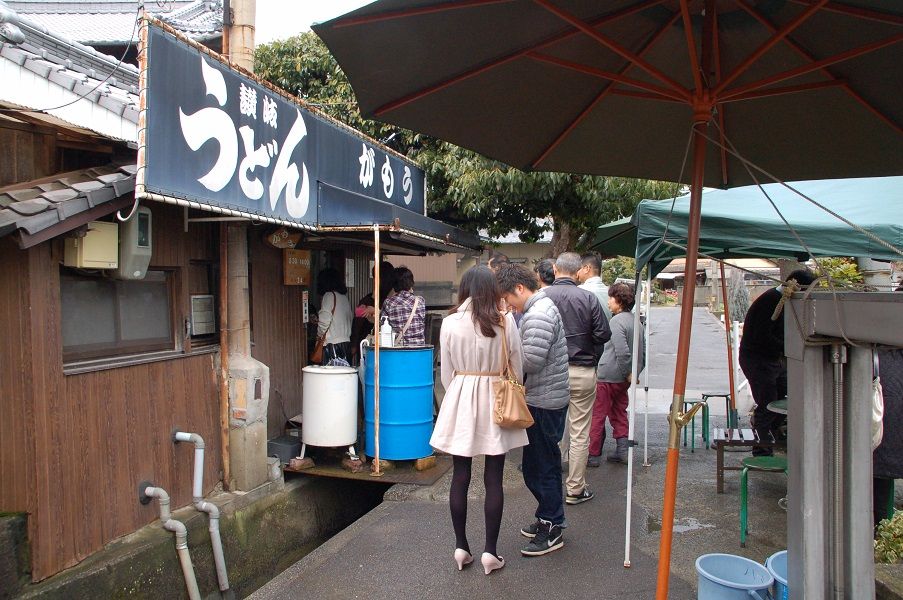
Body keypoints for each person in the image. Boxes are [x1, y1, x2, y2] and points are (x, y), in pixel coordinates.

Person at [429, 266, 527, 575]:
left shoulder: (450, 322)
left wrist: (459, 391)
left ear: (465, 289)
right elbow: (518, 366)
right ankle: (490, 552)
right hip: (496, 396)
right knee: (493, 478)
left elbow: (446, 373)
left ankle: (461, 547)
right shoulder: (505, 321)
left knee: (460, 475)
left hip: (461, 395)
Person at [496, 264, 570, 556]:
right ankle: (547, 516)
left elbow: (531, 362)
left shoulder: (538, 314)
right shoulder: (539, 308)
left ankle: (552, 525)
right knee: (537, 465)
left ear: (519, 288)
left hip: (544, 401)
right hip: (545, 398)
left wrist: (506, 354)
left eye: (508, 298)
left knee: (542, 467)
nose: (508, 305)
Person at [542, 252, 611, 505]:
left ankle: (549, 490)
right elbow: (603, 333)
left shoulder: (542, 297)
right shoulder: (588, 298)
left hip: (551, 373)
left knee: (550, 431)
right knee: (580, 432)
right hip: (582, 370)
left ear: (555, 269)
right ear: (579, 270)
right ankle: (575, 488)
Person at [739, 269, 817, 455]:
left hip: (772, 359)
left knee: (783, 399)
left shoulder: (782, 300)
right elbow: (762, 337)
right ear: (794, 286)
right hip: (758, 359)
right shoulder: (771, 300)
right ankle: (762, 450)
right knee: (768, 404)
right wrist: (790, 346)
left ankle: (769, 438)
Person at [588, 282, 645, 466]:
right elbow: (642, 352)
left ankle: (593, 454)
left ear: (618, 300)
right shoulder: (637, 322)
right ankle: (622, 450)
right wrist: (633, 372)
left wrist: (627, 371)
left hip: (608, 375)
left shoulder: (615, 321)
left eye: (611, 298)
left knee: (598, 415)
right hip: (624, 378)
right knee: (619, 411)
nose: (608, 302)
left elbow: (622, 351)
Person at [873, 284, 903, 529]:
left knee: (879, 487)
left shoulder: (876, 346)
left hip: (881, 438)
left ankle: (880, 530)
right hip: (886, 434)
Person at [350, 260, 395, 363]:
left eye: (376, 277)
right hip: (370, 346)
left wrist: (353, 344)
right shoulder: (368, 299)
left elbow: (357, 323)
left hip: (375, 346)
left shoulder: (391, 300)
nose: (374, 280)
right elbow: (358, 319)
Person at [315, 268, 353, 364]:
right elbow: (349, 318)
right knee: (344, 372)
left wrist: (319, 336)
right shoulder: (344, 298)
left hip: (332, 345)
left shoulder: (328, 296)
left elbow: (324, 322)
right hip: (346, 344)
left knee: (331, 372)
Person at [382, 266, 426, 346]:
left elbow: (382, 325)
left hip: (398, 349)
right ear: (411, 283)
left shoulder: (389, 302)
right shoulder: (420, 301)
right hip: (419, 349)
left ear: (393, 284)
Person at [577, 252, 612, 321]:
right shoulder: (609, 292)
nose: (577, 272)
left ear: (586, 269)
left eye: (579, 269)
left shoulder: (580, 290)